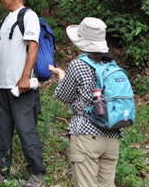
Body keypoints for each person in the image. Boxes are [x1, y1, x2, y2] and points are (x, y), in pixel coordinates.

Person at [0, 0, 46, 187]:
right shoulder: (4, 21)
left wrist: (25, 77)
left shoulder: (28, 16)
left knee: (25, 129)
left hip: (21, 87)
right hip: (2, 88)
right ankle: (0, 172)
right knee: (1, 130)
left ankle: (37, 173)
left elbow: (34, 46)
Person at [48, 17, 123, 187]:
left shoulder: (78, 65)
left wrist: (61, 75)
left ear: (80, 42)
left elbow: (64, 96)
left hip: (86, 135)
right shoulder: (112, 66)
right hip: (113, 135)